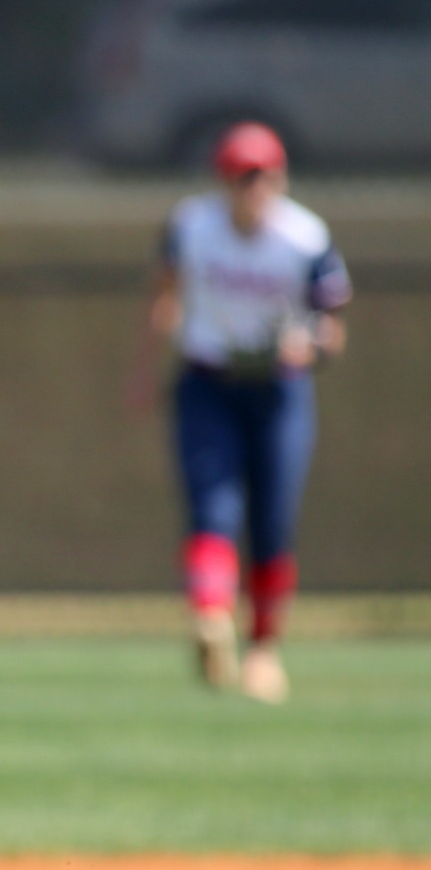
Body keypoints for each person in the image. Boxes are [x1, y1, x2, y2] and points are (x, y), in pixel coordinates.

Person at [128, 122, 350, 705]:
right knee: (212, 507)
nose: (251, 188)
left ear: (279, 178)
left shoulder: (303, 238)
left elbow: (332, 325)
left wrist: (311, 346)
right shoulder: (193, 228)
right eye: (239, 176)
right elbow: (165, 293)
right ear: (223, 180)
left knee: (273, 522)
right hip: (209, 382)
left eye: (261, 175)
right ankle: (210, 617)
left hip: (278, 389)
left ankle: (263, 651)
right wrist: (146, 368)